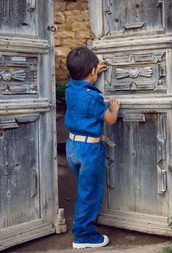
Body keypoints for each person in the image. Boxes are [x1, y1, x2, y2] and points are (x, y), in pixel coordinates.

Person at [65, 46, 120, 249]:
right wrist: (113, 108)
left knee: (84, 190)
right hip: (89, 152)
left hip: (72, 148)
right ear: (92, 72)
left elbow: (82, 80)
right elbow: (111, 120)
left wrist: (93, 68)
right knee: (90, 193)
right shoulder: (93, 97)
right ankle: (83, 235)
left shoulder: (70, 88)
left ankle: (84, 223)